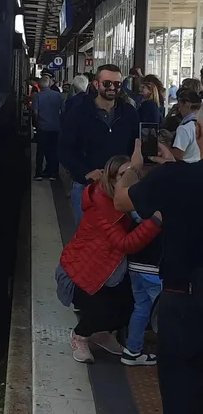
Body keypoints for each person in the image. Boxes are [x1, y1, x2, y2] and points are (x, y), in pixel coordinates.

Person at [115, 135, 203, 414]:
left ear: (199, 135)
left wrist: (134, 167)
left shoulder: (175, 178)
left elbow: (121, 199)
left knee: (181, 396)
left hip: (185, 302)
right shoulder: (176, 174)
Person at [56, 155, 161, 364]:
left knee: (132, 306)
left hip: (110, 272)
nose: (130, 180)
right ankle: (80, 335)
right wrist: (157, 221)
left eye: (134, 174)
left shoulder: (125, 201)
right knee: (104, 311)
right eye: (124, 175)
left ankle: (101, 333)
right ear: (111, 180)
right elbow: (124, 243)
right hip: (82, 274)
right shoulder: (102, 204)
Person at [59, 64, 140, 223]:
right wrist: (86, 173)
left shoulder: (129, 113)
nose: (112, 88)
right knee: (88, 239)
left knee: (121, 238)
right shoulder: (78, 113)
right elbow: (64, 149)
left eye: (117, 84)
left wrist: (130, 171)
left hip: (121, 186)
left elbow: (135, 145)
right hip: (88, 188)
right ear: (96, 84)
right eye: (107, 83)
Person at [122, 210, 162, 367]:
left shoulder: (138, 205)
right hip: (155, 270)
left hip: (135, 266)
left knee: (141, 308)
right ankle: (172, 356)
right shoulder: (163, 208)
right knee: (164, 315)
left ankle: (132, 351)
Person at [32, 75, 63, 181]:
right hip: (55, 127)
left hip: (42, 127)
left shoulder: (37, 96)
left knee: (40, 151)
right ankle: (53, 173)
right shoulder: (58, 95)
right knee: (54, 150)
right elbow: (63, 111)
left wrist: (36, 124)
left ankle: (39, 173)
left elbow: (35, 112)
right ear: (49, 84)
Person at [171, 88, 201, 163]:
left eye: (179, 106)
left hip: (187, 168)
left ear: (187, 104)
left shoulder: (184, 128)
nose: (179, 110)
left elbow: (178, 155)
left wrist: (164, 145)